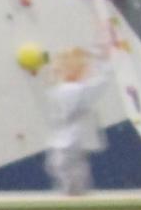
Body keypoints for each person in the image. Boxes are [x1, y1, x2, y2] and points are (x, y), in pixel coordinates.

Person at [44, 44, 109, 196]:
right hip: (71, 144)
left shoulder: (57, 90)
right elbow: (101, 83)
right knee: (75, 180)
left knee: (68, 176)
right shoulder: (76, 90)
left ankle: (69, 193)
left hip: (60, 145)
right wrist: (101, 59)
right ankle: (73, 195)